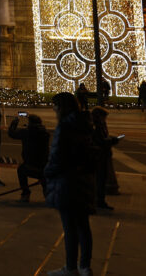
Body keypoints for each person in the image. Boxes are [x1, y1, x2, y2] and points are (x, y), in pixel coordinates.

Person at [44, 92, 96, 276]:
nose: (53, 109)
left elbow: (57, 157)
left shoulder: (64, 127)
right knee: (83, 226)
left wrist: (47, 173)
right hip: (84, 180)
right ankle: (85, 266)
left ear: (62, 108)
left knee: (70, 228)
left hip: (66, 183)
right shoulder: (85, 124)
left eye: (55, 106)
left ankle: (70, 267)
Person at [8, 113, 49, 203]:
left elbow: (11, 133)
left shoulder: (26, 132)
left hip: (30, 165)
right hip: (44, 166)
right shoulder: (45, 133)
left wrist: (15, 122)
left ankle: (25, 193)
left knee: (21, 170)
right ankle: (47, 194)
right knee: (43, 177)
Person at [90, 107, 120, 211]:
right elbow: (99, 141)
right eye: (104, 117)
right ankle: (99, 201)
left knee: (100, 180)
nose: (105, 119)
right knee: (99, 180)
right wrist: (111, 141)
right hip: (99, 156)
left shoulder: (100, 125)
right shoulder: (95, 126)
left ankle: (100, 200)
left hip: (102, 155)